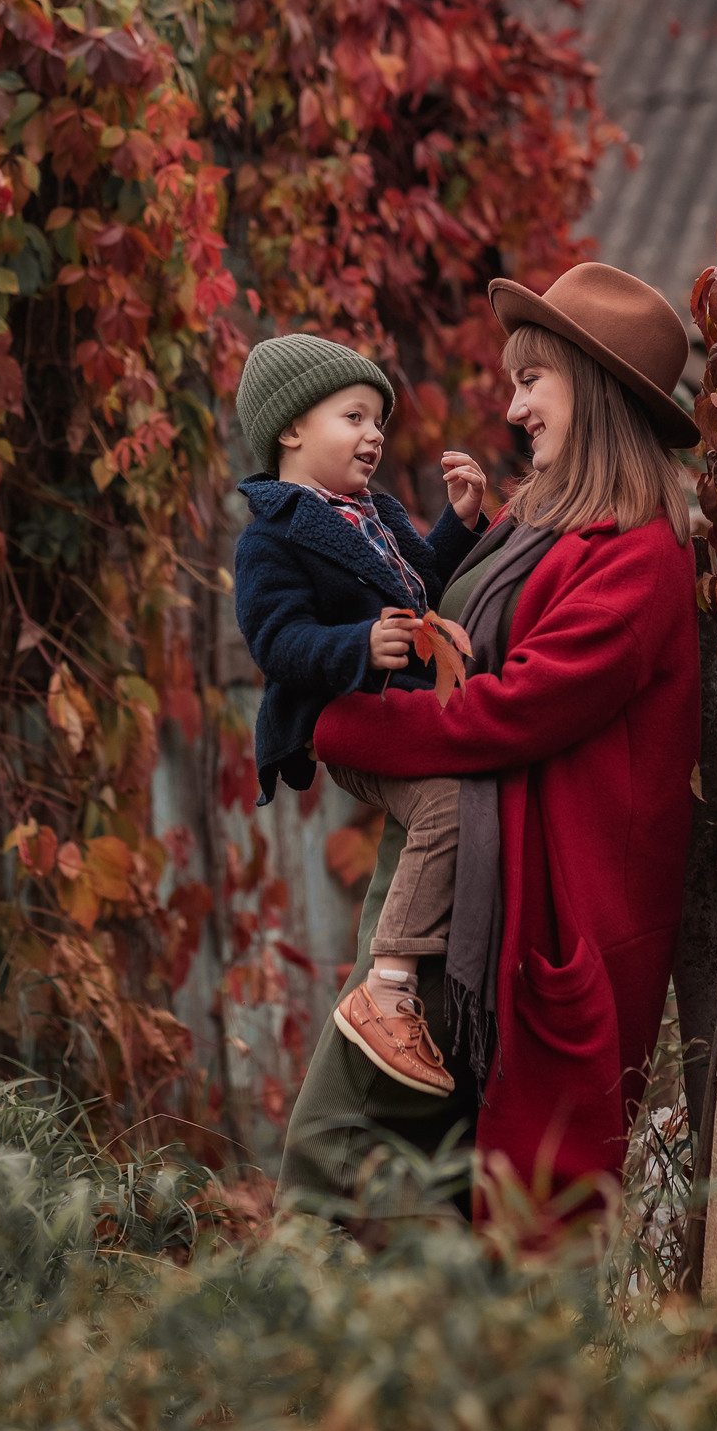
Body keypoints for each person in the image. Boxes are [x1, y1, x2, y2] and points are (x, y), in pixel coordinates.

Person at [277, 263, 701, 1220]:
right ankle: (353, 1364)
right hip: (454, 879)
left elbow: (506, 710)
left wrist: (336, 722)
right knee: (405, 1190)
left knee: (337, 1162)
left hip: (524, 910)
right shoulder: (532, 525)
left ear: (589, 391)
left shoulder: (637, 561)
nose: (513, 411)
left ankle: (274, 1351)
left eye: (531, 382)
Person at [233, 333, 487, 1098]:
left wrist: (460, 521)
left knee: (466, 791)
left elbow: (421, 581)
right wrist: (355, 644)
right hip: (342, 715)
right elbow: (275, 640)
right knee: (444, 802)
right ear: (290, 429)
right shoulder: (271, 533)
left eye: (379, 420)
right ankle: (387, 988)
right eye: (354, 416)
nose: (374, 434)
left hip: (400, 706)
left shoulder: (373, 511)